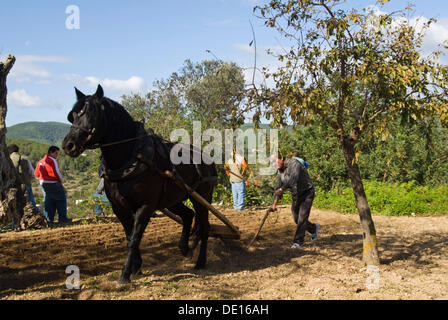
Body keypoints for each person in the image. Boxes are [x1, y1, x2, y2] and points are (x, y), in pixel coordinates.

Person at [270, 153, 320, 249]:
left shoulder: (294, 163)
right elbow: (278, 187)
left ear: (281, 158)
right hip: (296, 195)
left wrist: (282, 189)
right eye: (271, 163)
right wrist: (274, 204)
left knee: (302, 217)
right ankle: (313, 228)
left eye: (274, 161)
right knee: (296, 218)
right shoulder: (280, 171)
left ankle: (298, 242)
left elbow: (293, 179)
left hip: (307, 193)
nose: (273, 164)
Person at [35, 146, 71, 223]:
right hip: (53, 182)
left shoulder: (40, 161)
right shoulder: (52, 160)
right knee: (61, 199)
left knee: (49, 200)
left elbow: (36, 174)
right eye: (56, 153)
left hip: (43, 183)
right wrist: (60, 180)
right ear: (51, 152)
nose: (57, 155)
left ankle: (48, 219)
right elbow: (56, 172)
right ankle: (62, 218)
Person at [7, 144, 40, 213]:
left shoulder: (8, 159)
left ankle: (15, 222)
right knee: (31, 202)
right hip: (25, 184)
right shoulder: (25, 158)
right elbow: (32, 173)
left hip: (13, 186)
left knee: (15, 205)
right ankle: (37, 218)